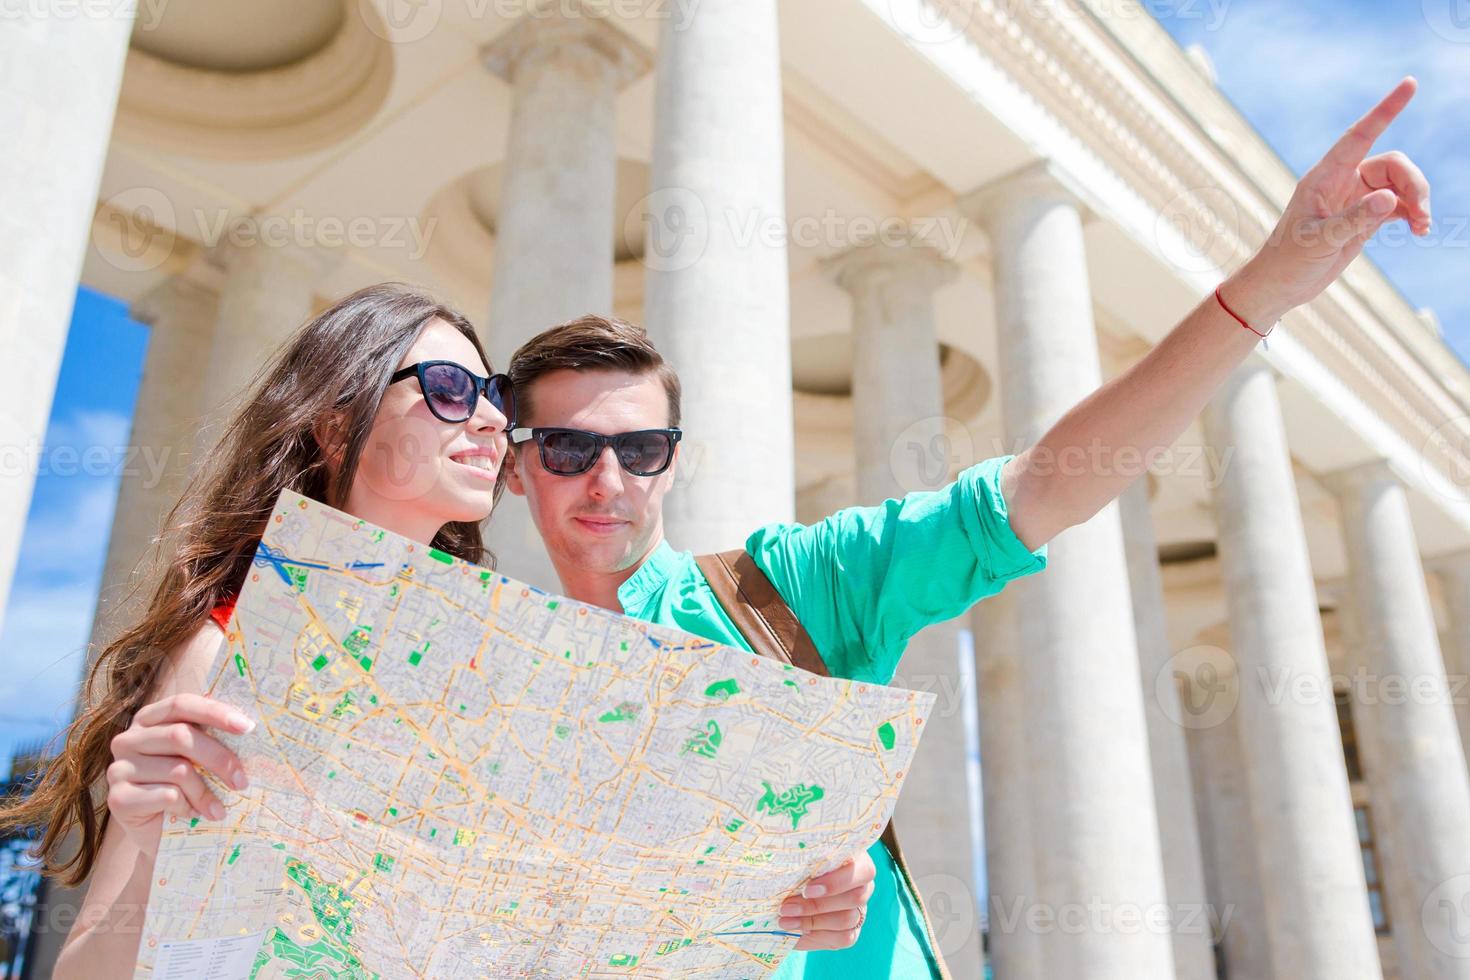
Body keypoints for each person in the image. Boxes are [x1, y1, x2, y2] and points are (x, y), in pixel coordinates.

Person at [495, 77, 1432, 978]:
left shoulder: (785, 592)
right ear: (514, 461)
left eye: (643, 447)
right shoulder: (493, 685)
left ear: (670, 459)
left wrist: (1266, 287)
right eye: (570, 450)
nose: (608, 479)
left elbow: (1045, 490)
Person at [1, 284, 517, 976]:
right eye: (450, 389)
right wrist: (161, 855)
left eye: (495, 394)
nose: (489, 419)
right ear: (336, 428)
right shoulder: (226, 648)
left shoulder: (499, 672)